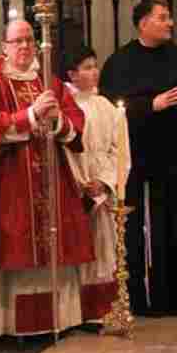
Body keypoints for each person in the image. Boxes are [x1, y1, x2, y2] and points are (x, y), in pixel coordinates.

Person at [0, 16, 92, 337]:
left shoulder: (49, 82)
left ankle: (58, 320)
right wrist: (30, 115)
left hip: (53, 182)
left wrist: (57, 121)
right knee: (15, 247)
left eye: (28, 40)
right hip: (11, 185)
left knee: (55, 249)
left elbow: (76, 124)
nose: (24, 46)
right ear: (3, 47)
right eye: (17, 41)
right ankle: (12, 326)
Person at [98, 0, 177, 316]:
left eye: (169, 17)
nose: (170, 23)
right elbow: (111, 107)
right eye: (163, 18)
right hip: (139, 160)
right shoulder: (120, 62)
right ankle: (141, 292)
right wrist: (151, 105)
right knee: (143, 227)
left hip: (173, 156)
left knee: (176, 225)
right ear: (143, 23)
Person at [63, 48, 131, 325]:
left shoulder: (106, 107)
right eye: (87, 67)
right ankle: (76, 311)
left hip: (102, 186)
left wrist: (103, 182)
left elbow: (120, 151)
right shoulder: (65, 107)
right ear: (71, 74)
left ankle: (103, 310)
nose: (94, 72)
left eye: (95, 66)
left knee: (104, 250)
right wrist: (81, 183)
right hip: (76, 184)